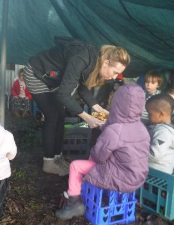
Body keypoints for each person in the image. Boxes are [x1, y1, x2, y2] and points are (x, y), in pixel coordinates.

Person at [23, 36, 130, 176]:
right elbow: (64, 95)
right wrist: (87, 118)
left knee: (60, 115)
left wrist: (98, 108)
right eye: (115, 72)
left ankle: (57, 157)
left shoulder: (94, 62)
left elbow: (81, 87)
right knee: (52, 115)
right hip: (37, 74)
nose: (115, 77)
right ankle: (48, 162)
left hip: (52, 79)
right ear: (106, 62)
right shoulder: (82, 59)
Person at [55, 83, 150, 220]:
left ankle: (75, 202)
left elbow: (99, 156)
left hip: (118, 177)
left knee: (76, 165)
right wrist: (106, 127)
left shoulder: (115, 130)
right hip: (137, 176)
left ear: (116, 104)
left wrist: (104, 136)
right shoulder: (141, 128)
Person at [146, 94, 174, 174]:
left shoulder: (164, 132)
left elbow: (155, 154)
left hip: (157, 175)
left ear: (161, 114)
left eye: (150, 113)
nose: (148, 116)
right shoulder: (157, 127)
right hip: (151, 172)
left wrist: (136, 153)